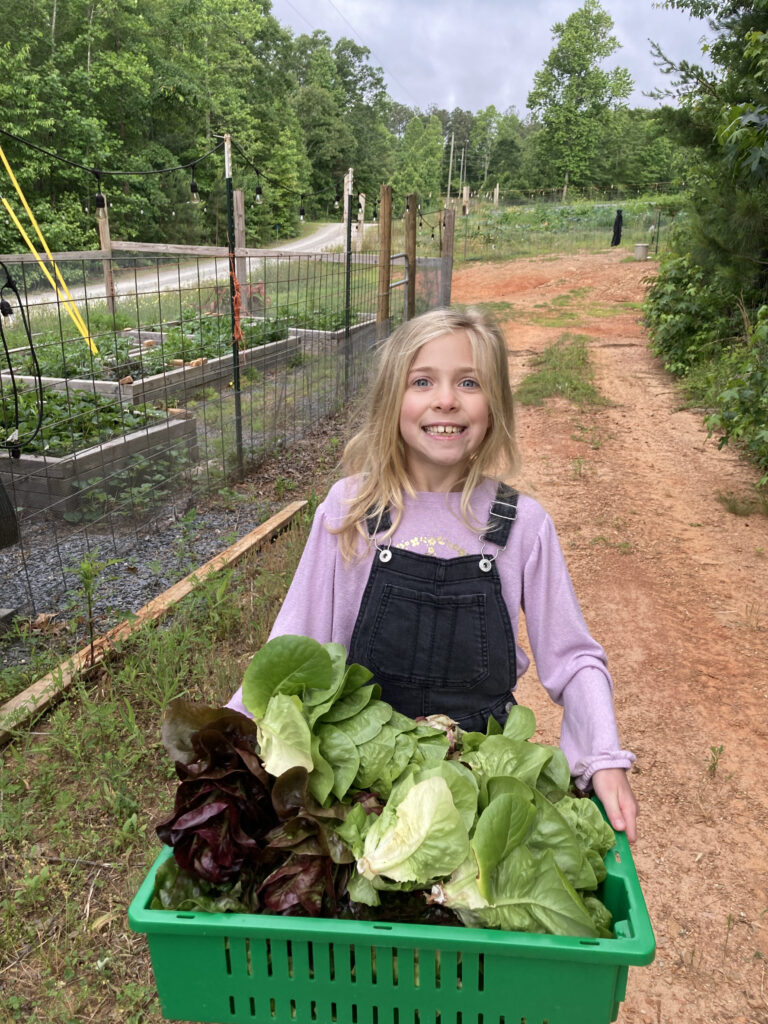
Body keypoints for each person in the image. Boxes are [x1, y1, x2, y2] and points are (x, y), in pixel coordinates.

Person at [227, 307, 638, 841]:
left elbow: (573, 657)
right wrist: (235, 732)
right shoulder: (352, 509)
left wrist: (603, 757)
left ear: (496, 407)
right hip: (358, 775)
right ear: (391, 401)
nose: (446, 399)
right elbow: (295, 640)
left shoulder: (522, 527)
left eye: (469, 382)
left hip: (479, 779)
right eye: (423, 381)